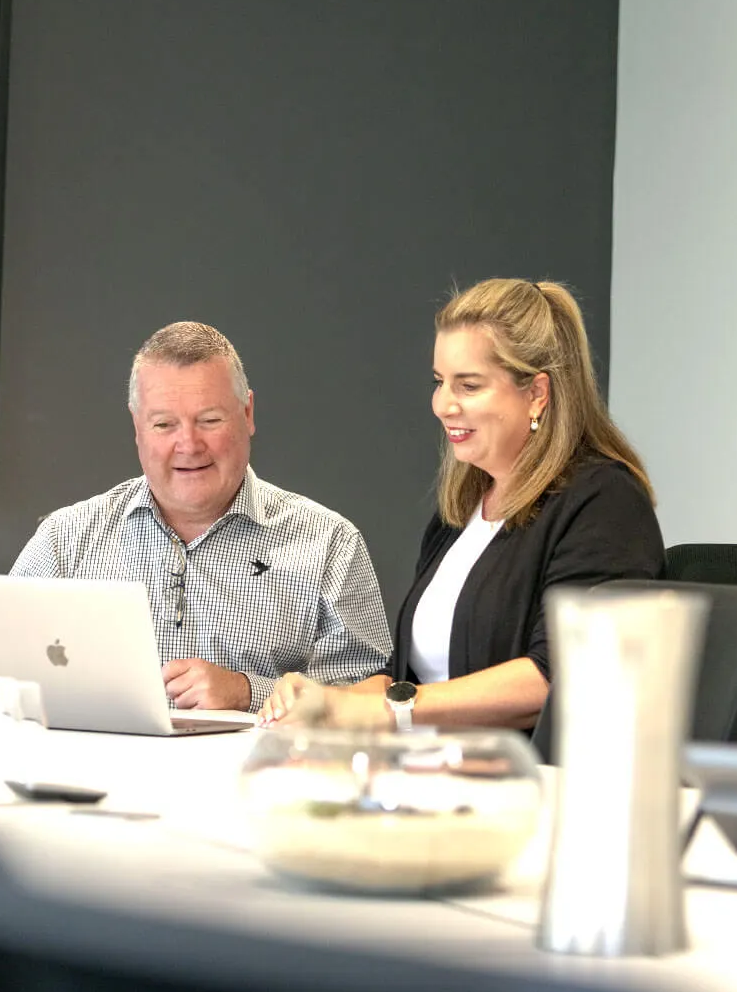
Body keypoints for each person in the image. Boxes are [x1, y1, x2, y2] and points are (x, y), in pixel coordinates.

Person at [260, 278, 662, 732]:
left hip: (528, 783)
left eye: (468, 386)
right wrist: (326, 701)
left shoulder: (605, 501)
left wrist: (392, 710)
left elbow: (563, 675)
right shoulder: (462, 509)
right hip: (436, 770)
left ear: (537, 394)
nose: (442, 405)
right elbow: (408, 678)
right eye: (439, 382)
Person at [11, 321, 391, 711]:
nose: (189, 445)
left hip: (258, 770)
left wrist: (247, 693)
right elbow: (0, 681)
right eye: (164, 424)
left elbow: (369, 700)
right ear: (137, 427)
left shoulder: (330, 544)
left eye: (209, 420)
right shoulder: (66, 540)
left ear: (248, 413)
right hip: (90, 770)